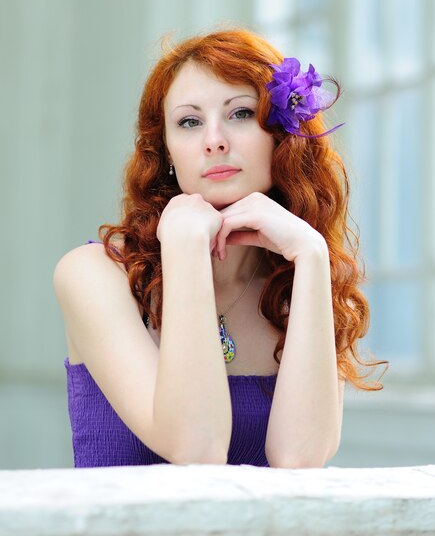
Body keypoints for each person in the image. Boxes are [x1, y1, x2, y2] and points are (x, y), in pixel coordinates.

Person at [53, 28, 386, 469]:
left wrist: (311, 256)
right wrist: (185, 247)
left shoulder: (291, 284)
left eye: (241, 113)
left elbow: (299, 461)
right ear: (167, 151)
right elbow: (196, 450)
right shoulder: (93, 274)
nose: (214, 140)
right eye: (189, 122)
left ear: (281, 137)